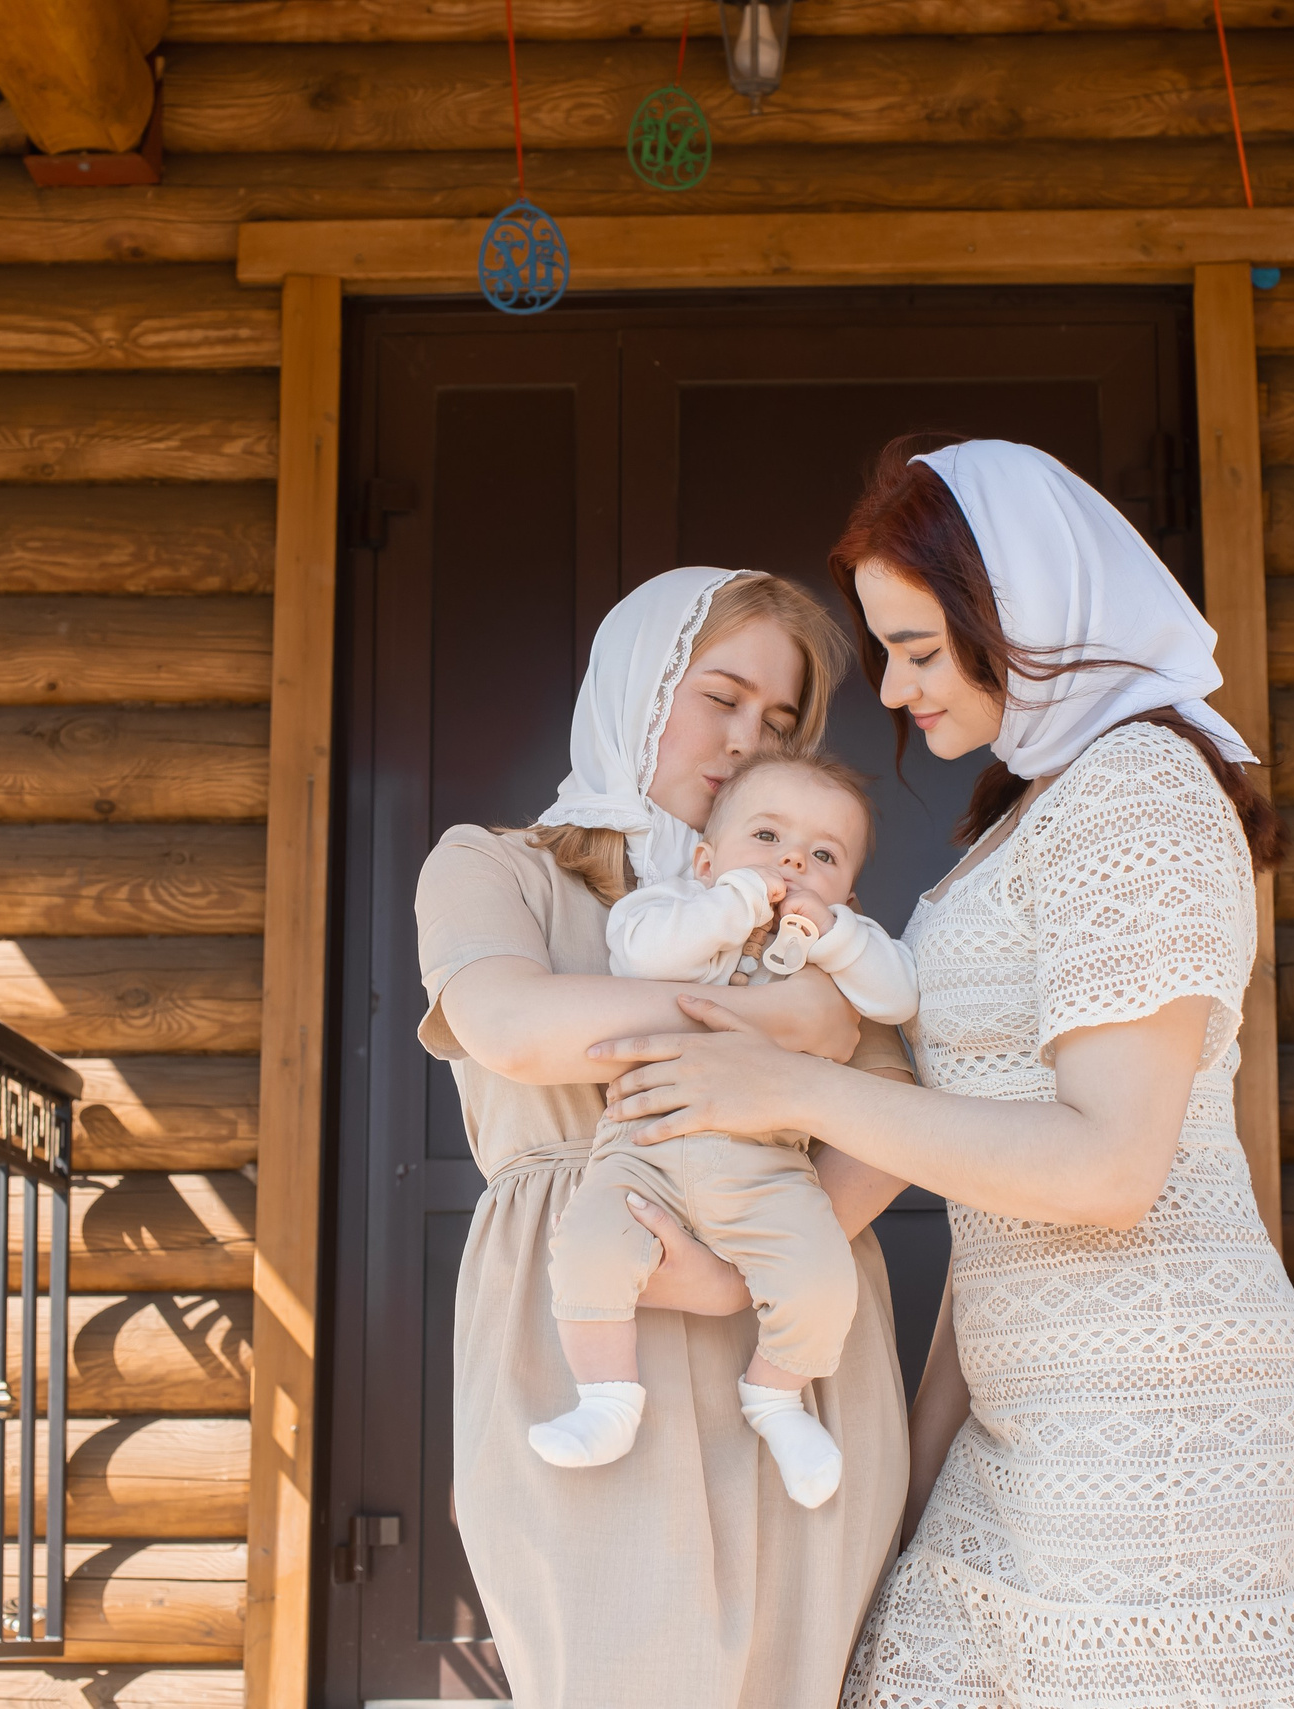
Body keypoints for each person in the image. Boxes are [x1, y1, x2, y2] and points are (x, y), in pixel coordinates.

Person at [591, 442, 1294, 1708]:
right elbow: (984, 1169)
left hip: (1153, 1401)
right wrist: (922, 1454)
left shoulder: (1141, 791)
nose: (891, 690)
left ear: (1028, 618)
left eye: (920, 648)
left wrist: (788, 1090)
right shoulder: (1032, 807)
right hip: (1026, 1390)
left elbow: (1109, 1168)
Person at [415, 567, 914, 1709]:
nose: (745, 742)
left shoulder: (816, 921)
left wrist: (738, 1277)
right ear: (639, 689)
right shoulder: (497, 866)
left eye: (779, 723)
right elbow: (515, 1026)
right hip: (585, 1327)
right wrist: (782, 1026)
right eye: (721, 697)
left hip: (789, 1323)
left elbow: (889, 1122)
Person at [534, 752, 918, 1510]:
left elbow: (899, 993)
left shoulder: (833, 950)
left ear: (849, 890)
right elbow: (638, 954)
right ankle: (607, 1399)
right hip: (643, 1148)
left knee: (819, 1281)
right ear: (706, 857)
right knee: (587, 1246)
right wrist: (732, 904)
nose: (791, 861)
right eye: (767, 836)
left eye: (823, 856)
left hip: (769, 1166)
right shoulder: (671, 907)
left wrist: (838, 935)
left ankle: (776, 1398)